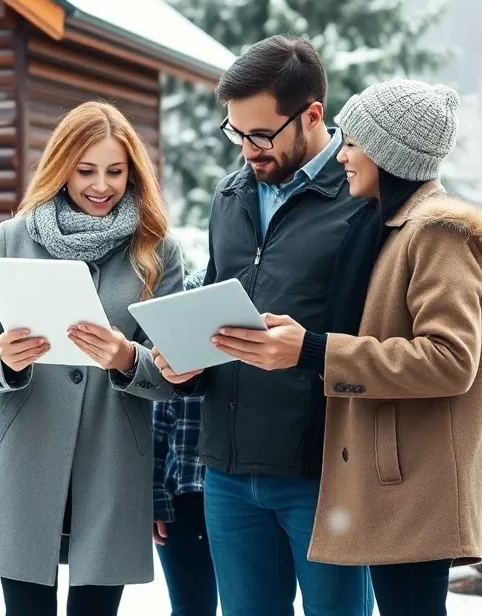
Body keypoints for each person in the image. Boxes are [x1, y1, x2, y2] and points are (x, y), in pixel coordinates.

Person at [216, 79, 482, 615]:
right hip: (392, 479)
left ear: (388, 153)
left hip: (416, 484)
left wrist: (313, 350)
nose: (343, 154)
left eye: (353, 143)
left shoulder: (436, 235)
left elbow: (450, 361)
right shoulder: (388, 226)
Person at [156, 35, 374, 616]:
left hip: (325, 475)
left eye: (260, 134)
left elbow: (382, 342)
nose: (247, 149)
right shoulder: (229, 197)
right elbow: (217, 309)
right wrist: (184, 363)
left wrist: (306, 353)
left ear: (312, 115)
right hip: (227, 474)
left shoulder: (361, 200)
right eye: (235, 133)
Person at [0, 101, 186, 616]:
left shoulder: (156, 250)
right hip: (23, 458)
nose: (100, 185)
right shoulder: (13, 237)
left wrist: (129, 358)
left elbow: (175, 374)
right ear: (61, 168)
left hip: (111, 460)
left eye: (114, 170)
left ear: (132, 173)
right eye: (85, 170)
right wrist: (4, 358)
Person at [151, 268, 219, 616]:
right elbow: (160, 407)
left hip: (251, 485)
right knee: (192, 607)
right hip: (186, 491)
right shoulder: (187, 296)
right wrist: (156, 495)